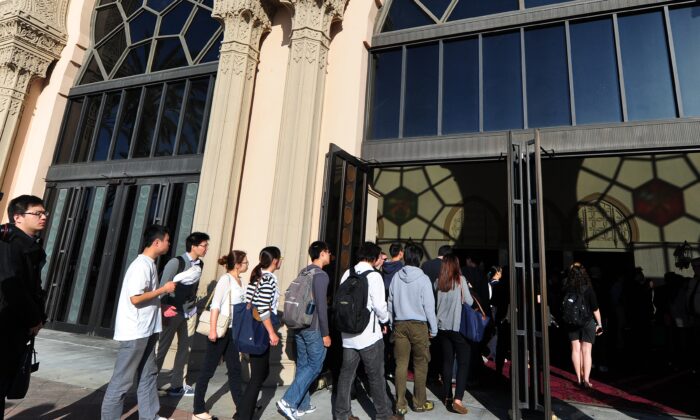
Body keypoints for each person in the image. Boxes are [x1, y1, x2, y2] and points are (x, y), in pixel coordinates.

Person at [101, 225, 176, 420]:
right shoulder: (141, 265)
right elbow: (135, 298)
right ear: (156, 242)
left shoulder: (149, 264)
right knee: (122, 382)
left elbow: (144, 297)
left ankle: (150, 416)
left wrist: (160, 307)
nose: (169, 244)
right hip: (135, 332)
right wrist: (163, 290)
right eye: (167, 240)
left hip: (148, 330)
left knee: (148, 374)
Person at [333, 242, 400, 420]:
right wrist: (386, 320)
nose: (381, 260)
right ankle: (384, 414)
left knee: (346, 375)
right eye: (379, 257)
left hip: (347, 335)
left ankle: (342, 414)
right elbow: (379, 306)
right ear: (374, 258)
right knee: (376, 376)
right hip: (368, 336)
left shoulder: (348, 273)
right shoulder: (374, 276)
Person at [0, 195, 48, 417]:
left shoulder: (27, 244)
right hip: (5, 325)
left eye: (44, 212)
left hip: (15, 326)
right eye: (37, 213)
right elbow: (12, 286)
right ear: (18, 217)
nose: (44, 216)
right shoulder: (8, 243)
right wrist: (34, 318)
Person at [277, 241, 332, 420]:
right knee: (315, 365)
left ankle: (302, 404)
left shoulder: (305, 271)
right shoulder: (321, 276)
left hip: (298, 325)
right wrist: (326, 333)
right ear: (322, 253)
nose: (330, 255)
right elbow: (321, 307)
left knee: (303, 364)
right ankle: (289, 401)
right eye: (328, 252)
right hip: (313, 327)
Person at [192, 250, 248, 420]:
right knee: (208, 370)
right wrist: (212, 330)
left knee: (235, 369)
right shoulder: (226, 279)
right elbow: (215, 306)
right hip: (220, 330)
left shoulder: (240, 280)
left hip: (232, 331)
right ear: (237, 264)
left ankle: (241, 407)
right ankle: (198, 410)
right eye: (245, 262)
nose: (247, 264)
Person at [156, 232, 210, 396]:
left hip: (189, 312)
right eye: (204, 245)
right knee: (162, 348)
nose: (206, 248)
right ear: (193, 246)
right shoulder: (176, 262)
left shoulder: (200, 264)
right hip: (171, 311)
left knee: (185, 349)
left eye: (207, 245)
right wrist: (163, 309)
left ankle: (177, 384)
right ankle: (149, 383)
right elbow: (162, 287)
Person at [388, 244, 437, 415]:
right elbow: (429, 307)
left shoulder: (396, 277)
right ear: (419, 258)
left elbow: (390, 302)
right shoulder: (423, 279)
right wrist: (434, 328)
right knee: (420, 365)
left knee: (400, 364)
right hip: (419, 326)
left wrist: (390, 322)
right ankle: (419, 403)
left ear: (405, 257)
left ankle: (400, 404)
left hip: (400, 324)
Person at [237, 246, 282, 420]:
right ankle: (243, 415)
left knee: (261, 373)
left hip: (253, 329)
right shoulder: (269, 279)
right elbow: (263, 308)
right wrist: (272, 332)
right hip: (261, 330)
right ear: (275, 260)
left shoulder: (257, 275)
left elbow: (251, 301)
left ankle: (243, 410)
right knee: (258, 376)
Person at [436, 254, 473, 415]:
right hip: (457, 327)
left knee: (447, 360)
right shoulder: (460, 280)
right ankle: (458, 399)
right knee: (464, 361)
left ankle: (447, 397)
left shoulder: (438, 281)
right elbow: (470, 302)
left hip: (442, 327)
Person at [563, 263, 602, 389]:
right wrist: (599, 324)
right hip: (587, 322)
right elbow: (595, 308)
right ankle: (586, 379)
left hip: (571, 322)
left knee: (575, 349)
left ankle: (579, 379)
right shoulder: (588, 289)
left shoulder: (566, 287)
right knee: (586, 351)